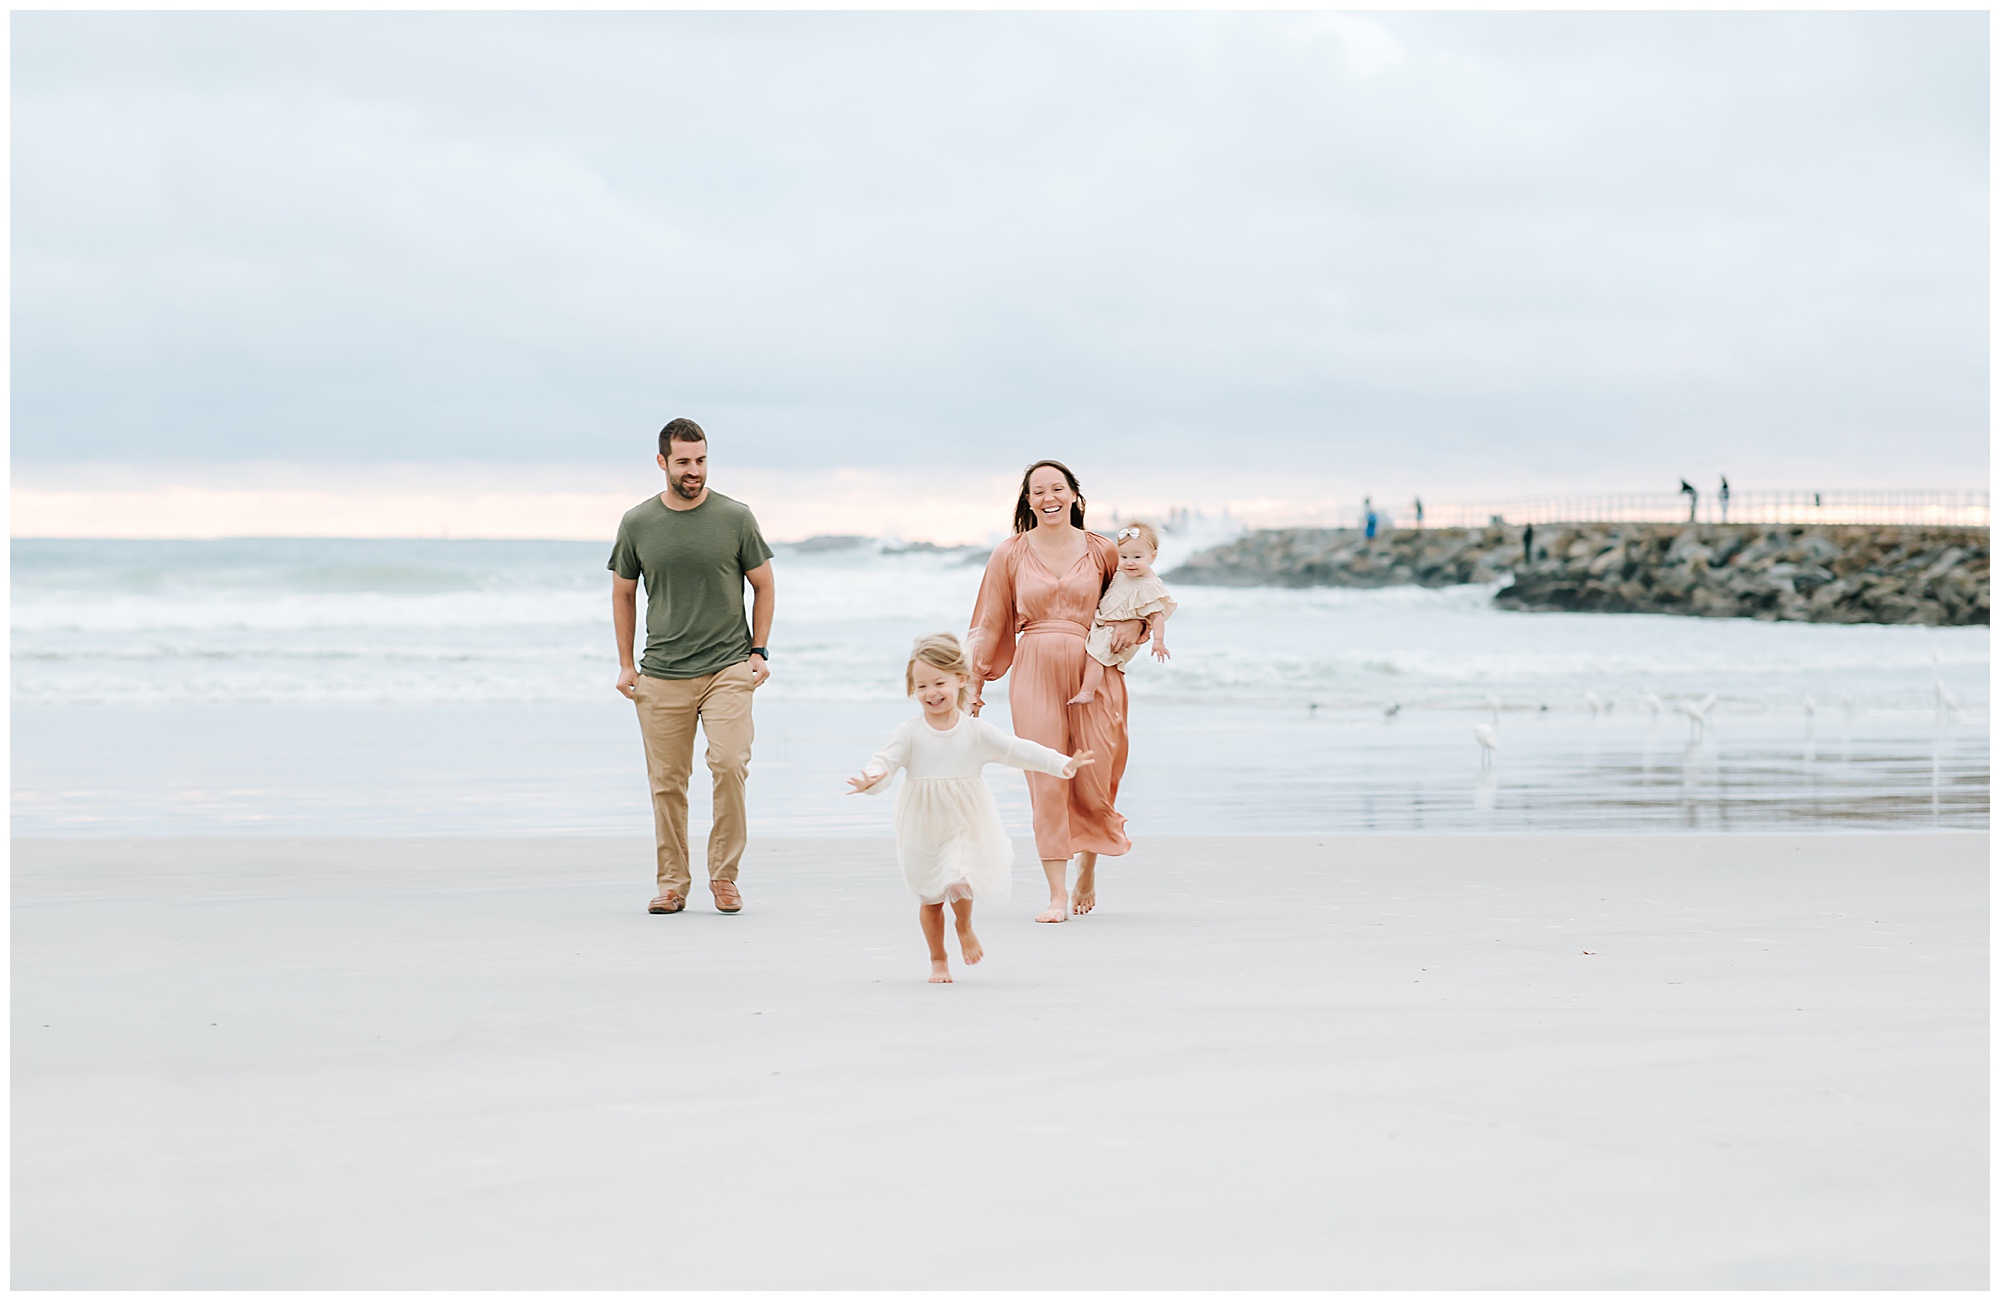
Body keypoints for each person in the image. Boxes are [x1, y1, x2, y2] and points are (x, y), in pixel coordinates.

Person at [848, 634, 1096, 983]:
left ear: (960, 680)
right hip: (923, 823)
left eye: (939, 683)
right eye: (921, 686)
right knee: (931, 897)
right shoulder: (910, 732)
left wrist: (1062, 763)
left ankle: (964, 926)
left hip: (965, 819)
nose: (931, 693)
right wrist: (872, 778)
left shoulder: (975, 732)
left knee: (961, 877)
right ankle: (938, 959)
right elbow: (885, 760)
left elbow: (1016, 749)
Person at [609, 418, 775, 916]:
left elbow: (764, 584)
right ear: (662, 462)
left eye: (700, 460)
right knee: (667, 783)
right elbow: (622, 593)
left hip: (727, 666)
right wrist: (625, 666)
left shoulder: (735, 517)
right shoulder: (637, 523)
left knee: (728, 765)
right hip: (661, 672)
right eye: (683, 461)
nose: (694, 471)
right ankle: (672, 883)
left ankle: (724, 877)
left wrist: (758, 652)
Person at [966, 460, 1140, 922]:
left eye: (1057, 489)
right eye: (1038, 491)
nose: (1048, 498)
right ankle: (1056, 894)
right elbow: (989, 621)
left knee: (1096, 774)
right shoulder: (1009, 553)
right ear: (1028, 500)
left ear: (1073, 496)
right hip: (1035, 668)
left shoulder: (1103, 550)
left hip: (1096, 672)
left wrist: (1134, 624)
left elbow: (1139, 597)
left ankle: (1089, 864)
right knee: (1047, 776)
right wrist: (973, 685)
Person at [1070, 521, 1175, 710]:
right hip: (1103, 621)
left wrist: (1158, 641)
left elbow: (1157, 616)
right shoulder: (1121, 571)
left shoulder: (1148, 586)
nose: (1130, 562)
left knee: (1095, 657)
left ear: (1152, 557)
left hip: (1114, 631)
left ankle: (1087, 691)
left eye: (1137, 556)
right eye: (1124, 556)